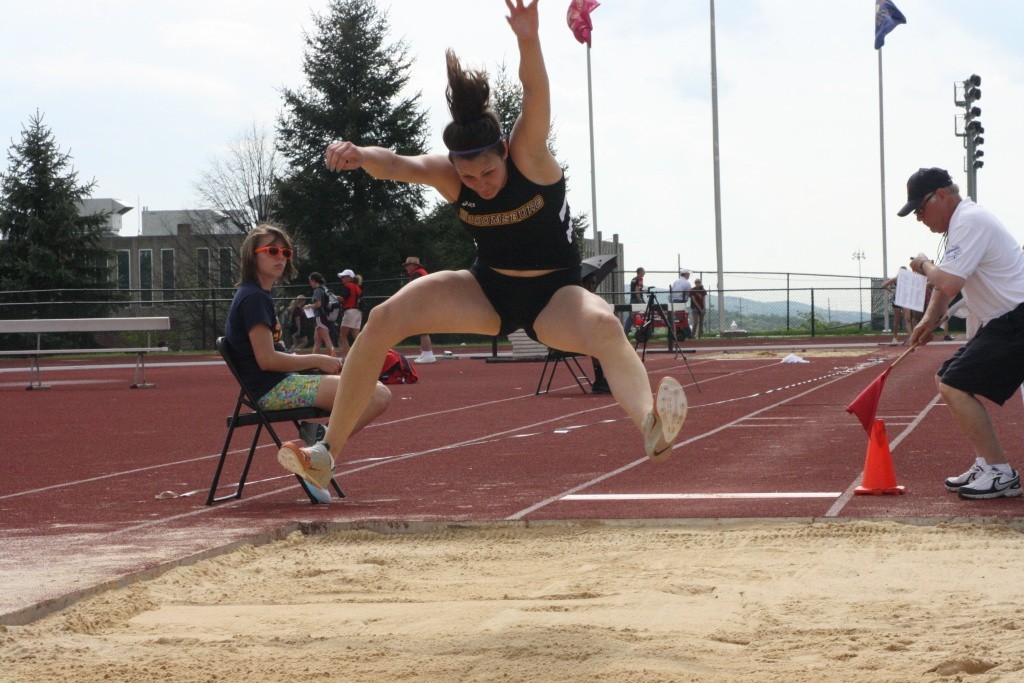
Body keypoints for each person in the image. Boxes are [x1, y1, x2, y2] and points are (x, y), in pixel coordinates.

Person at [285, 0, 687, 480]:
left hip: (554, 295)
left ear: (505, 152)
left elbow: (536, 92)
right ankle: (327, 453)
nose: (481, 183)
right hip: (487, 290)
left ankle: (650, 426)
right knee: (383, 318)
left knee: (604, 327)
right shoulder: (451, 174)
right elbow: (395, 163)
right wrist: (356, 154)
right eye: (468, 175)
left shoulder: (529, 156)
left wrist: (528, 38)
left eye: (489, 170)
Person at [224, 224, 391, 502]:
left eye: (285, 252)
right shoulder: (253, 298)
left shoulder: (259, 296)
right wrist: (317, 360)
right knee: (376, 394)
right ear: (252, 256)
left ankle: (319, 446)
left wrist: (314, 365)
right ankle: (317, 455)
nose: (281, 257)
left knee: (379, 393)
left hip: (279, 383)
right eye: (272, 251)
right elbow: (266, 360)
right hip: (272, 390)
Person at [899, 166, 1024, 500]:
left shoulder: (968, 221)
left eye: (920, 209)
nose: (919, 218)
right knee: (946, 378)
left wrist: (923, 263)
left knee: (955, 384)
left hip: (1016, 319)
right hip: (1003, 322)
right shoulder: (960, 225)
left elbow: (948, 281)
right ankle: (988, 463)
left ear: (942, 196)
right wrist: (929, 320)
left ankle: (1000, 473)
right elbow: (948, 282)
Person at [401, 257, 436, 363]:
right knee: (422, 330)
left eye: (408, 265)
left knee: (422, 330)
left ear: (414, 265)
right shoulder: (421, 273)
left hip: (421, 304)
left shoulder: (417, 274)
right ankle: (426, 353)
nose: (406, 267)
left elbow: (414, 290)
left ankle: (428, 354)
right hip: (425, 303)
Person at [304, 272, 335, 356]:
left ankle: (334, 359)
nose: (310, 283)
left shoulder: (317, 290)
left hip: (320, 317)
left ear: (314, 280)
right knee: (317, 340)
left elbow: (318, 304)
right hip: (325, 316)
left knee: (327, 340)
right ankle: (313, 361)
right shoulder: (324, 288)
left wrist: (309, 306)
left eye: (310, 281)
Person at [336, 269, 363, 359]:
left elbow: (342, 298)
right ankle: (361, 355)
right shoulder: (358, 287)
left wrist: (332, 296)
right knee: (356, 336)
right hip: (358, 312)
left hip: (350, 311)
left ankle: (348, 358)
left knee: (343, 335)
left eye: (343, 277)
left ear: (349, 277)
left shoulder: (347, 286)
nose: (342, 278)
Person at [881, 268, 911, 344]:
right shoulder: (896, 278)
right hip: (897, 301)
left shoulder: (909, 279)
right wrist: (892, 291)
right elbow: (884, 285)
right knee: (897, 320)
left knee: (907, 320)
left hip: (905, 300)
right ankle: (895, 337)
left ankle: (911, 337)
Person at [670, 269, 692, 340]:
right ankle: (688, 334)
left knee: (676, 318)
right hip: (680, 301)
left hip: (673, 301)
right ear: (686, 275)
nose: (689, 275)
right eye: (688, 274)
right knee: (683, 318)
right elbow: (688, 293)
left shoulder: (676, 282)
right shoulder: (686, 283)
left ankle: (678, 332)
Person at [623, 267, 645, 335]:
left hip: (633, 298)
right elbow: (636, 289)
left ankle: (627, 329)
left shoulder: (633, 279)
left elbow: (636, 288)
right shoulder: (639, 279)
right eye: (643, 272)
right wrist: (640, 299)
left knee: (631, 315)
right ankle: (641, 328)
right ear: (640, 272)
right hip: (636, 299)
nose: (644, 273)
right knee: (644, 311)